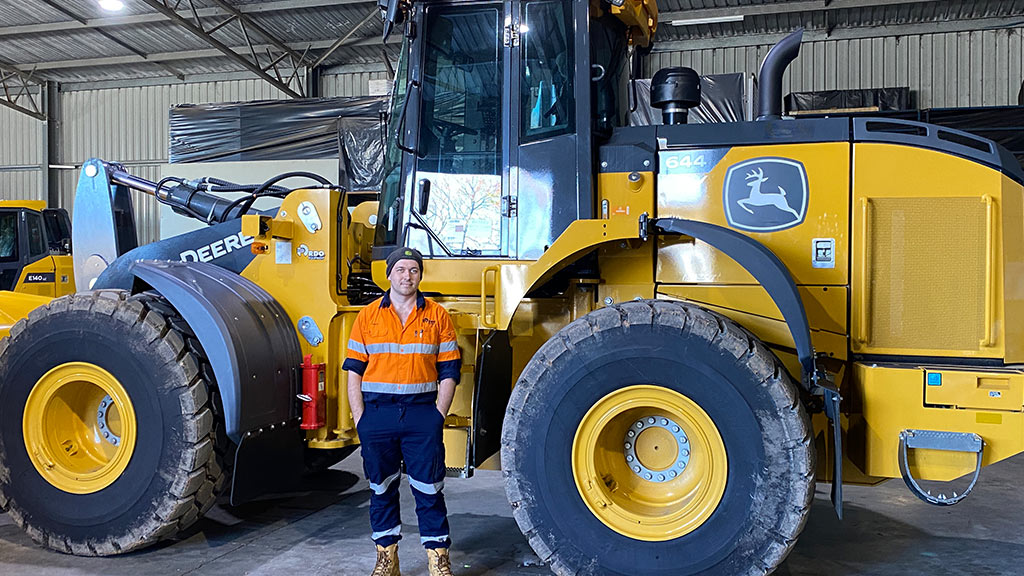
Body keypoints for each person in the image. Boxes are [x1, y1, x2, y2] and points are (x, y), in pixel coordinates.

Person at [343, 247, 461, 576]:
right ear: (389, 274)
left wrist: (438, 414)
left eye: (413, 270)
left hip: (422, 414)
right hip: (377, 416)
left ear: (420, 275)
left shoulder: (437, 315)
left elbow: (450, 371)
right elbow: (353, 370)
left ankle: (438, 559)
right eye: (401, 270)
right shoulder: (367, 316)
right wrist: (360, 419)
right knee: (380, 488)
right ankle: (386, 558)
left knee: (429, 489)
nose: (407, 276)